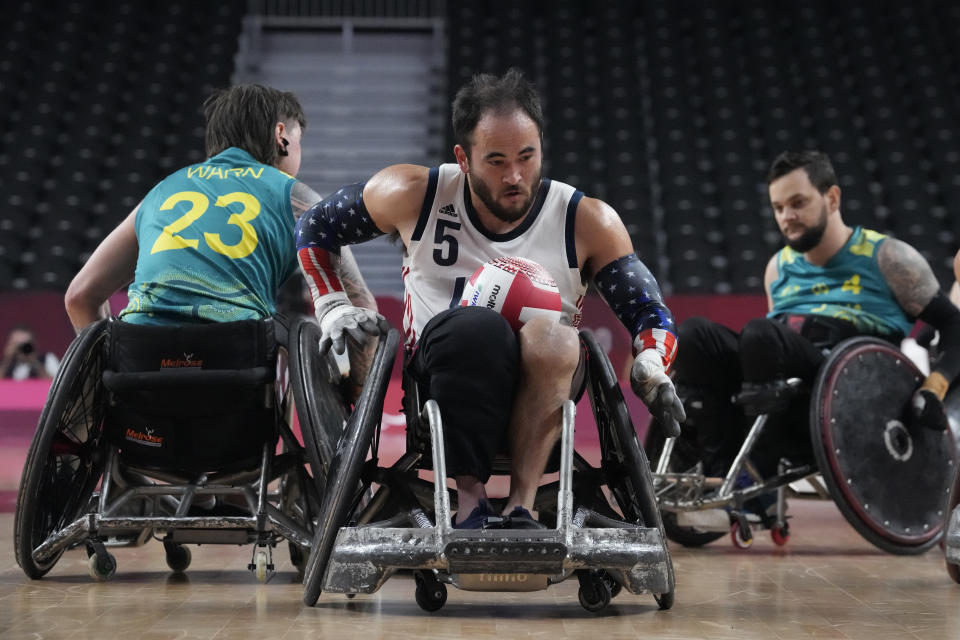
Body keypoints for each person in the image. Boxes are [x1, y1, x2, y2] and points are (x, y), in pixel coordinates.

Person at [294, 68, 685, 528]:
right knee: (477, 327)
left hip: (548, 381)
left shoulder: (587, 220)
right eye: (496, 161)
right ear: (463, 158)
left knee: (558, 340)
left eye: (527, 156)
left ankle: (522, 507)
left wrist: (651, 363)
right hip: (442, 377)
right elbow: (314, 227)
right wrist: (332, 304)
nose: (515, 176)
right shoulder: (415, 194)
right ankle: (469, 501)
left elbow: (648, 311)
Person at [672, 150, 960, 486]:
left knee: (762, 334)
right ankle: (720, 476)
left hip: (844, 389)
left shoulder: (889, 257)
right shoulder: (778, 267)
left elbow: (954, 325)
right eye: (778, 208)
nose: (786, 217)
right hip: (781, 373)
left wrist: (934, 386)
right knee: (694, 334)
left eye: (797, 203)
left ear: (832, 198)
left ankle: (759, 474)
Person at [63, 84, 382, 388]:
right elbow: (359, 306)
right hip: (235, 362)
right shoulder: (297, 197)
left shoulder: (164, 190)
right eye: (299, 140)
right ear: (280, 135)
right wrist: (353, 391)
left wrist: (102, 377)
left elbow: (79, 296)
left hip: (139, 359)